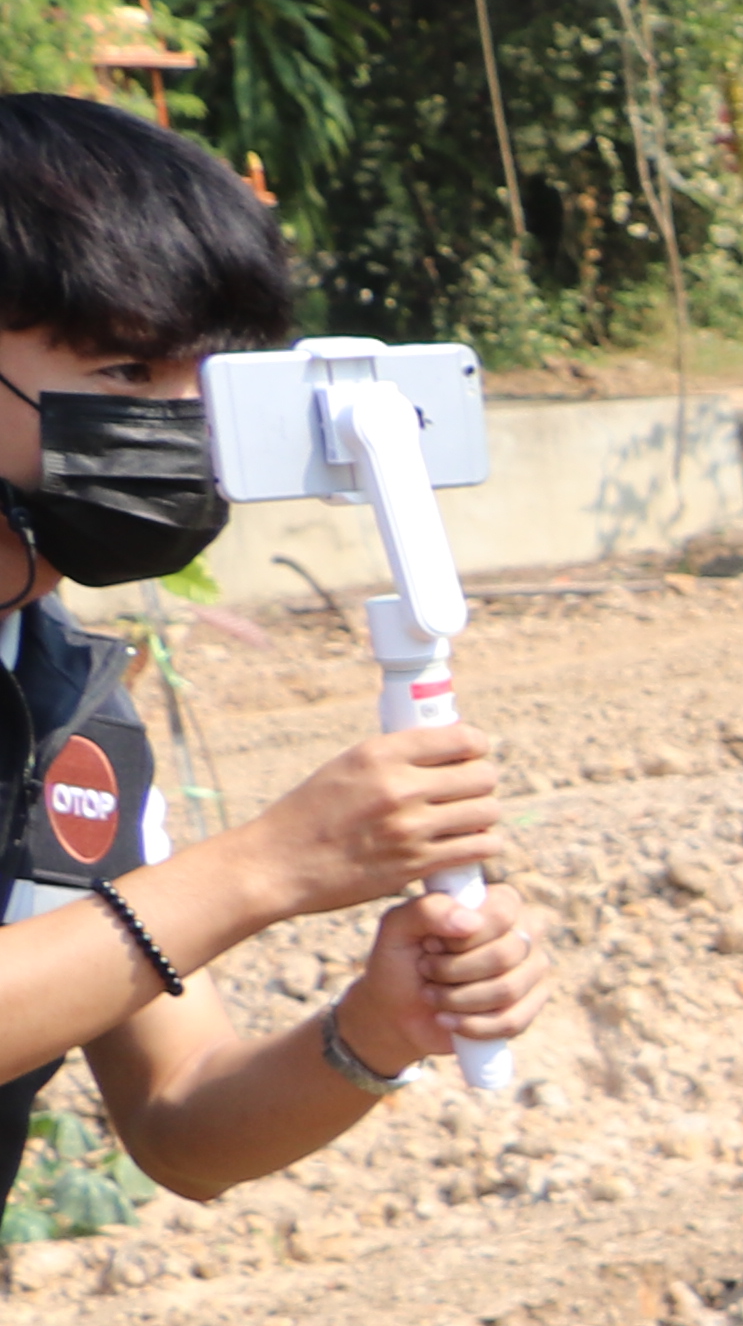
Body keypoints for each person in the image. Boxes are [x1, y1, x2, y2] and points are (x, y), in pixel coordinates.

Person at [0, 98, 546, 1214]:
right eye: (128, 374)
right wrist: (265, 869)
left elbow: (182, 1116)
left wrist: (372, 1031)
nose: (182, 428)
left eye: (204, 383)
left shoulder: (75, 718)